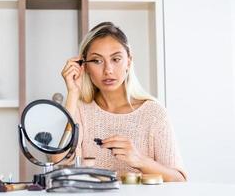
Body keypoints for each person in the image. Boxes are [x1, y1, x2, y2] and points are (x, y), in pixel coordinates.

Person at [61, 22, 187, 182]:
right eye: (97, 61)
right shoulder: (80, 109)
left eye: (116, 59)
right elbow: (61, 163)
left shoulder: (154, 113)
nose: (108, 70)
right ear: (84, 66)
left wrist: (139, 160)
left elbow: (180, 180)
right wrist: (72, 94)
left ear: (129, 61)